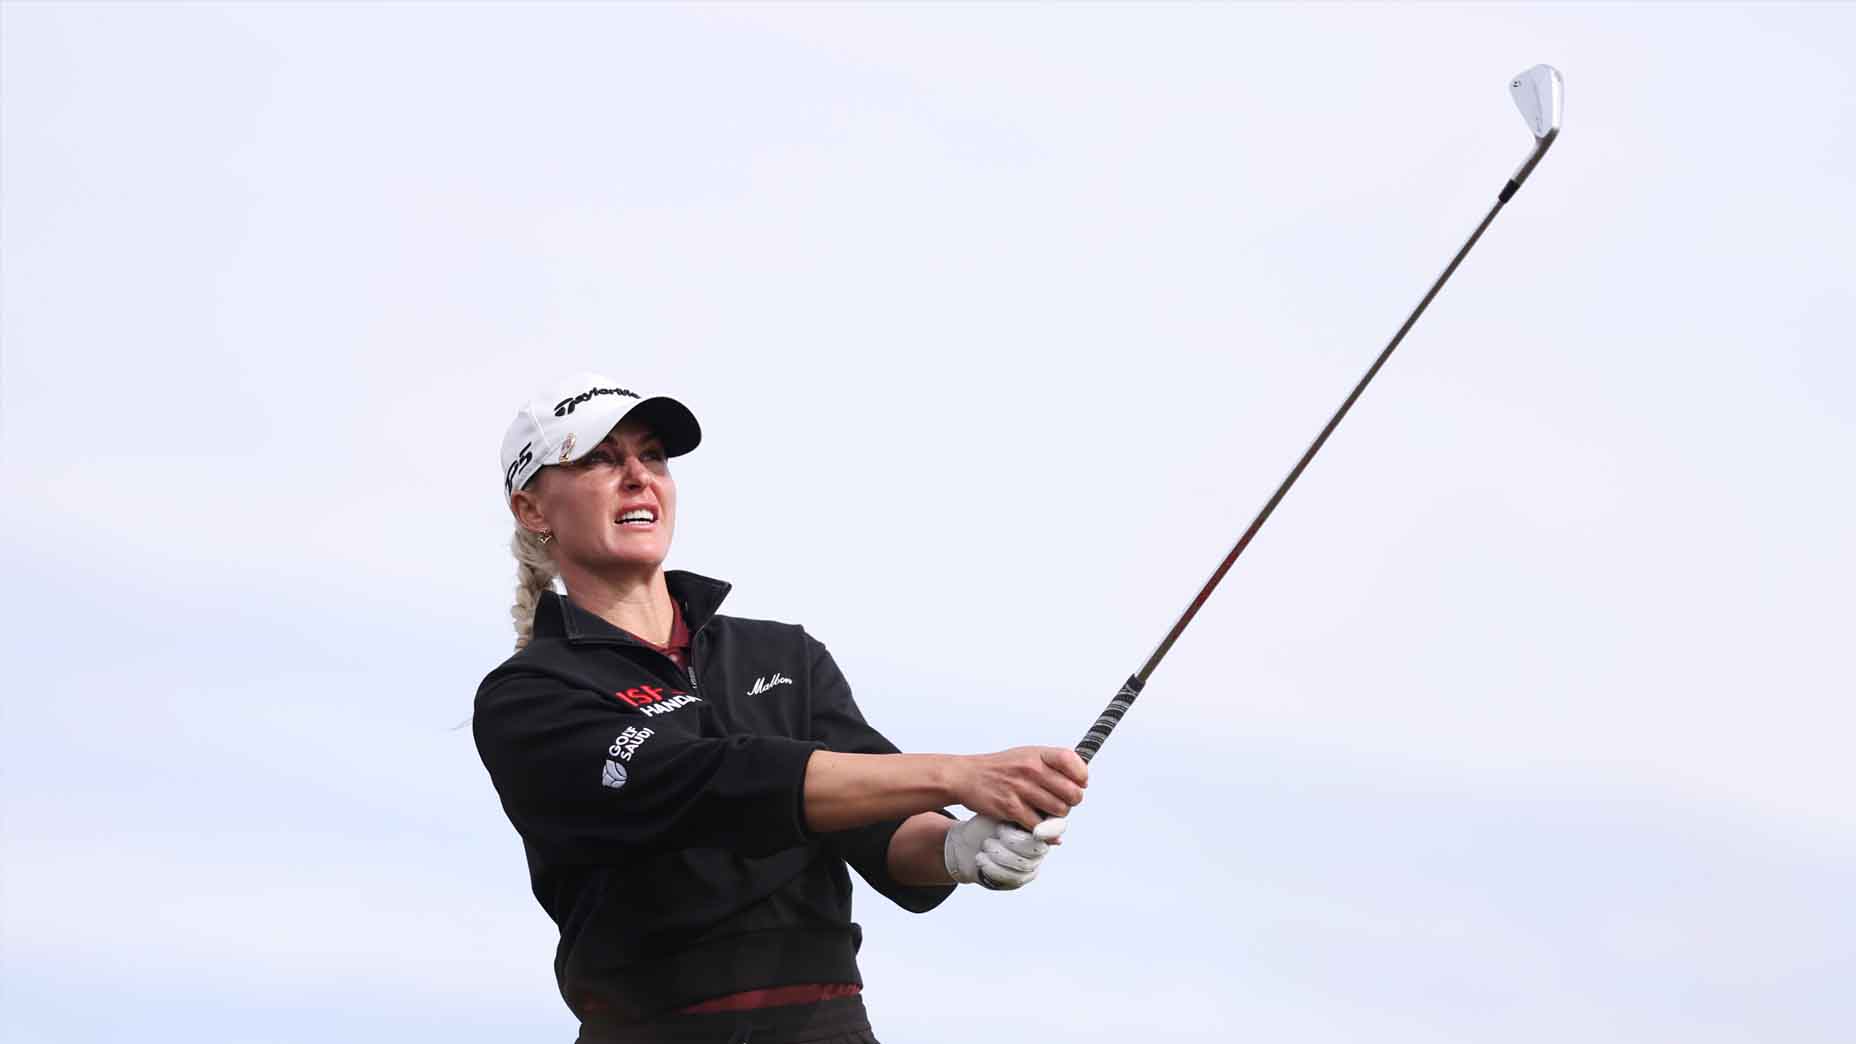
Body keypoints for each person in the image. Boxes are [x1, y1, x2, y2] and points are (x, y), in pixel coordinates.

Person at [473, 373, 1090, 1044]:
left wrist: (955, 847)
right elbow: (711, 783)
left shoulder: (783, 655)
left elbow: (885, 830)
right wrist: (958, 775)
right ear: (532, 509)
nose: (638, 477)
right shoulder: (530, 696)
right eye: (599, 459)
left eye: (652, 456)